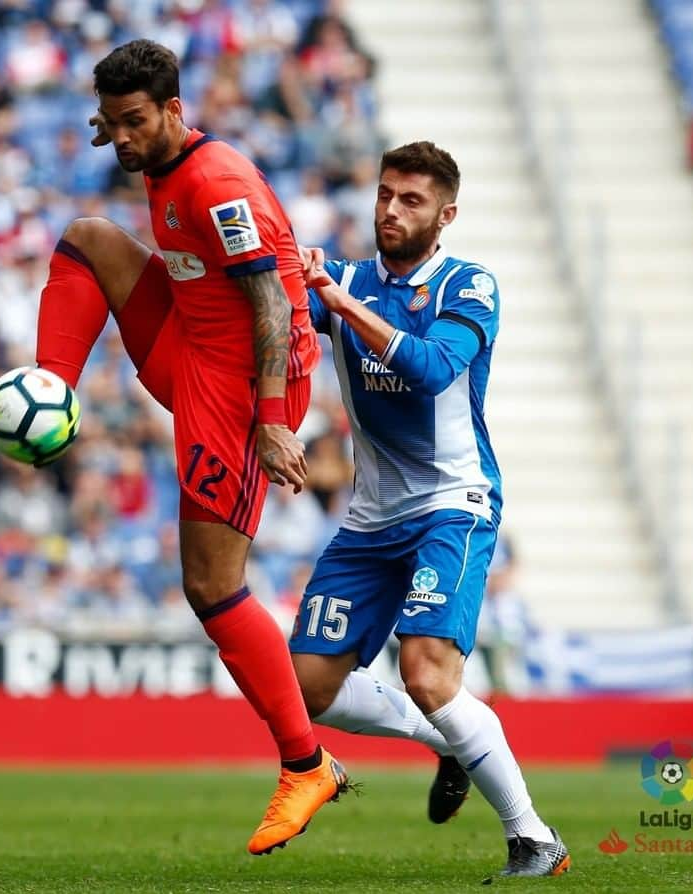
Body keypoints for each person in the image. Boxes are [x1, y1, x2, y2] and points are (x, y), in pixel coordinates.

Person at [0, 39, 348, 855]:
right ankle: (43, 395)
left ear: (175, 110)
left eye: (135, 123)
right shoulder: (155, 157)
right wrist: (116, 129)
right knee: (90, 235)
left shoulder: (217, 184)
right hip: (193, 342)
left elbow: (271, 302)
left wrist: (272, 419)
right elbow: (138, 164)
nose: (121, 139)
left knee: (210, 585)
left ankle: (306, 764)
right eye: (110, 122)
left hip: (241, 390)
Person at [290, 142, 570, 878]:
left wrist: (337, 302)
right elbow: (268, 301)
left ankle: (533, 837)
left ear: (445, 215)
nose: (390, 209)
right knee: (308, 689)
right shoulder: (345, 274)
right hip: (371, 516)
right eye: (385, 194)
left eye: (410, 200)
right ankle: (445, 740)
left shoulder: (467, 286)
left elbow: (431, 369)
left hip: (453, 503)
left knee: (428, 671)